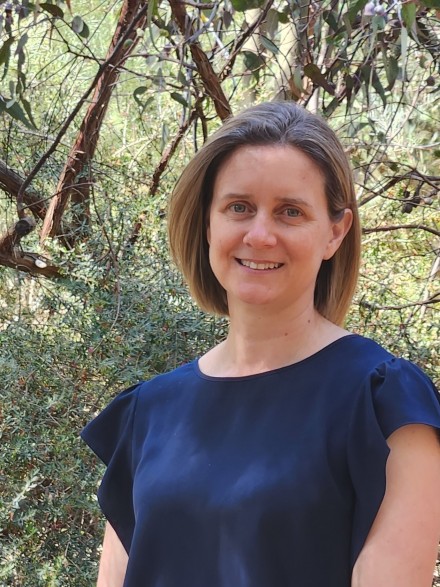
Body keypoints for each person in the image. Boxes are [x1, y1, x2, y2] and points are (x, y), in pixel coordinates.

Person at [81, 101, 440, 587]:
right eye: (239, 207)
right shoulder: (148, 412)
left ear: (335, 232)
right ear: (208, 221)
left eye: (290, 212)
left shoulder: (385, 403)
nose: (261, 234)